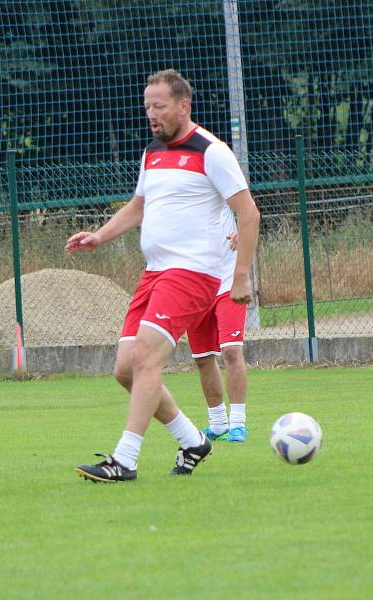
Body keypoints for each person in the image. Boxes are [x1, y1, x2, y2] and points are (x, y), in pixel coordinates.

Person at [66, 69, 260, 482]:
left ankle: (125, 459)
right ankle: (192, 440)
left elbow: (249, 213)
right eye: (147, 107)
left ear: (183, 106)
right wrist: (100, 236)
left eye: (159, 106)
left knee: (145, 357)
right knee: (125, 369)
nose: (151, 114)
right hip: (154, 273)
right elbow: (139, 206)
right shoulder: (153, 152)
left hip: (192, 273)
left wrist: (240, 276)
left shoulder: (212, 151)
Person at [186, 223, 251, 443]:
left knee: (231, 351)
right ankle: (218, 424)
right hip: (194, 286)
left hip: (228, 282)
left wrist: (243, 230)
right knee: (202, 358)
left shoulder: (223, 187)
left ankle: (238, 424)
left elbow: (249, 210)